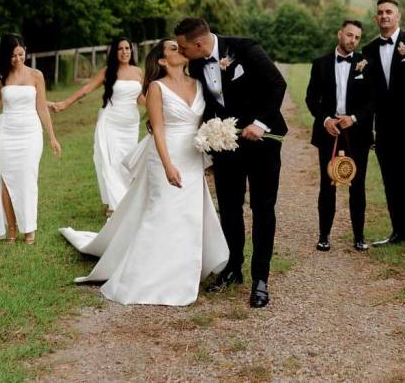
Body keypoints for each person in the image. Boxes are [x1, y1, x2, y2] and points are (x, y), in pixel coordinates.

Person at [59, 40, 228, 306]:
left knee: (188, 214)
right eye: (173, 49)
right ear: (161, 61)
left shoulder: (197, 83)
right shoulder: (156, 88)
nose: (180, 50)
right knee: (161, 210)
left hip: (192, 156)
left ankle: (183, 270)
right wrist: (168, 165)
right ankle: (145, 275)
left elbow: (202, 121)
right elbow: (158, 129)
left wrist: (212, 141)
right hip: (164, 155)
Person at [176, 18, 287, 309]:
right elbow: (208, 104)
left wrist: (261, 124)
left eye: (183, 47)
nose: (181, 52)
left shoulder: (245, 49)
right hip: (225, 144)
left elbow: (278, 84)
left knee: (262, 208)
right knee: (228, 206)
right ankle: (233, 267)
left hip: (263, 142)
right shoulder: (197, 64)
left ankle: (260, 278)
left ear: (198, 44)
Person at [360, 0, 405, 251]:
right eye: (380, 12)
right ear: (375, 18)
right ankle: (397, 230)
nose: (385, 16)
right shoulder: (367, 51)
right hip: (384, 125)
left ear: (398, 16)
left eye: (389, 11)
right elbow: (367, 94)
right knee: (390, 178)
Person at [0, 34, 61, 244]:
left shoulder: (36, 76)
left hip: (30, 133)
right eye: (13, 55)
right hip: (6, 132)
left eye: (21, 54)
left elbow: (42, 108)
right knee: (6, 181)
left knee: (27, 179)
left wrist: (52, 137)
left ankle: (29, 228)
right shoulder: (0, 77)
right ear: (7, 56)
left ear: (25, 51)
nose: (17, 59)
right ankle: (12, 229)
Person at [50, 37, 144, 214]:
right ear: (114, 52)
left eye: (127, 48)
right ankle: (113, 203)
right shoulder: (108, 71)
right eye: (120, 49)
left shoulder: (138, 72)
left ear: (131, 51)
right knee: (111, 160)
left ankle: (124, 198)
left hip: (130, 123)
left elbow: (139, 98)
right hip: (111, 121)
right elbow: (86, 89)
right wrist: (65, 103)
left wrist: (160, 108)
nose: (124, 52)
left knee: (126, 161)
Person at [304, 19, 373, 252]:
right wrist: (326, 120)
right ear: (339, 34)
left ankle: (359, 236)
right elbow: (311, 99)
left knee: (358, 185)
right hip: (329, 131)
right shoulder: (320, 63)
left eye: (357, 37)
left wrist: (353, 118)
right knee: (328, 184)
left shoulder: (366, 63)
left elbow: (372, 100)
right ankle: (324, 235)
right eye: (349, 35)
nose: (352, 40)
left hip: (357, 132)